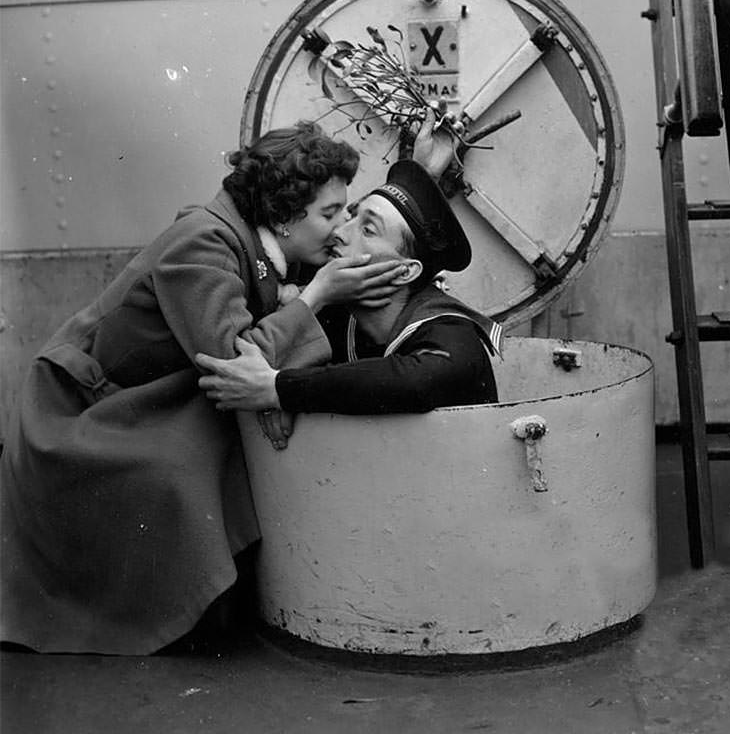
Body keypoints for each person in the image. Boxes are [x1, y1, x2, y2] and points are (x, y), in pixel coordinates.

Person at [0, 120, 422, 655]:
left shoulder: (240, 237)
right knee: (186, 463)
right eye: (329, 214)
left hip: (141, 398)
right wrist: (315, 295)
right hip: (81, 413)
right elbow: (233, 364)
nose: (340, 228)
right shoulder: (203, 241)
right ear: (281, 216)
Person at [195, 157, 502, 435]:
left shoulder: (452, 333)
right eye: (352, 215)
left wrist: (277, 390)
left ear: (405, 271)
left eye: (367, 230)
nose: (340, 232)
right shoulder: (342, 315)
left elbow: (413, 381)